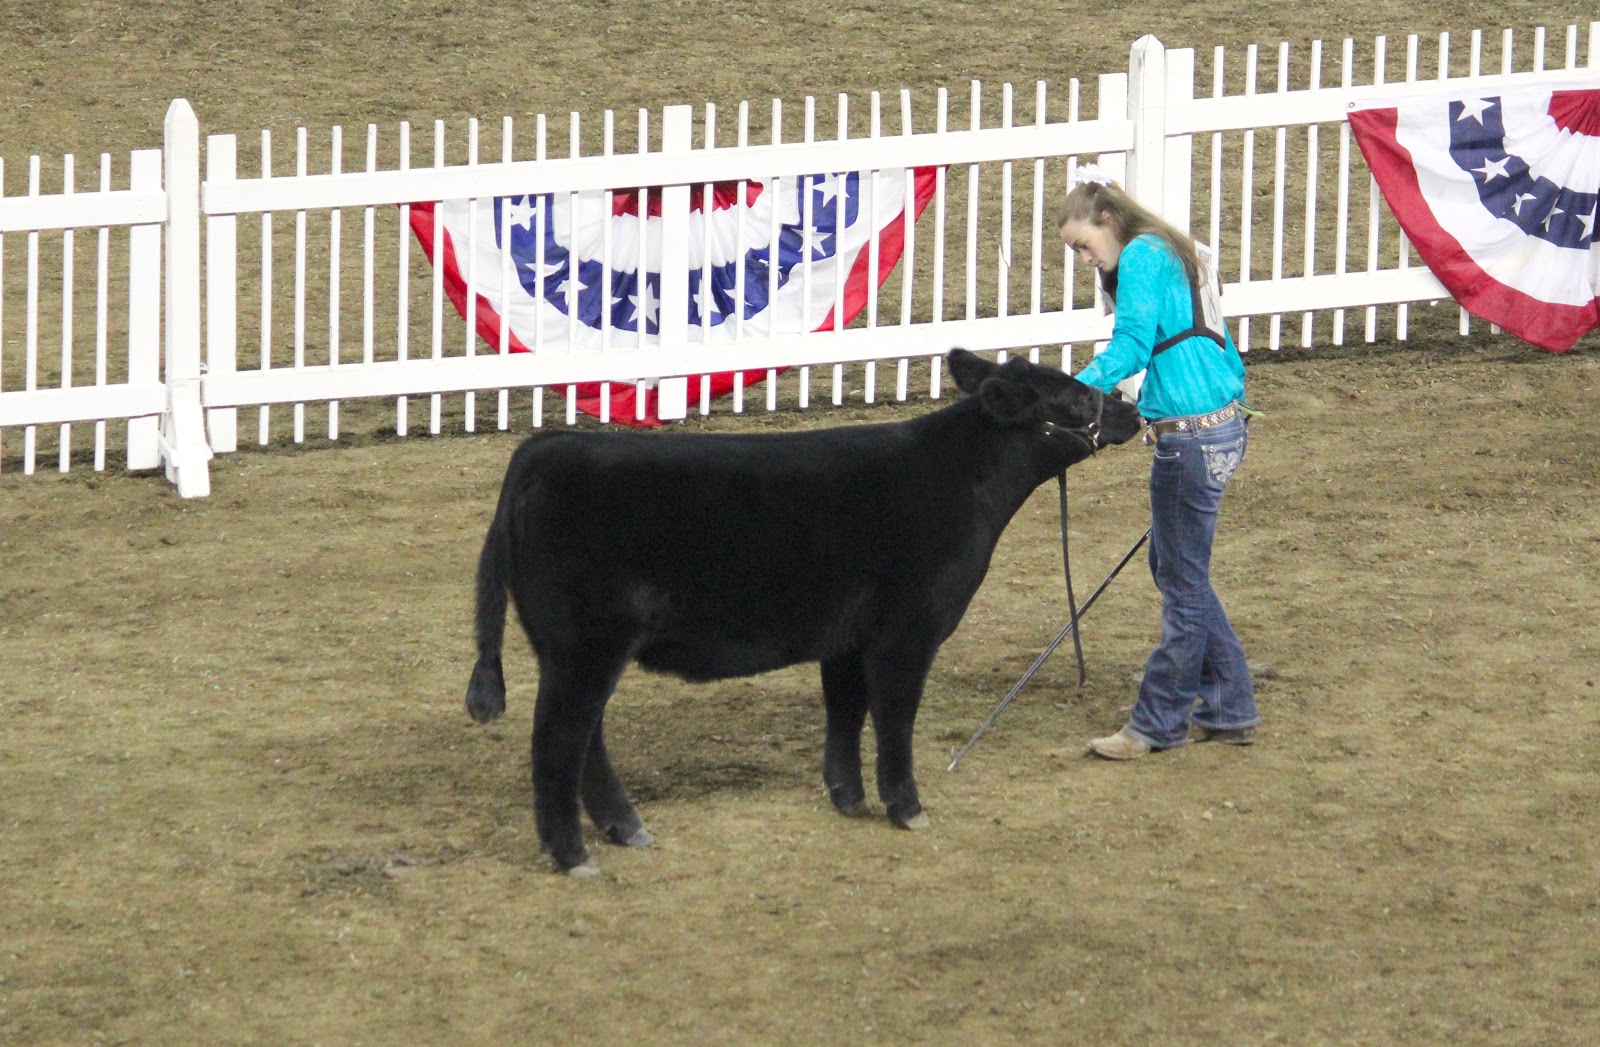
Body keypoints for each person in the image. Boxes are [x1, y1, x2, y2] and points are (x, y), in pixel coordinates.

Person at [1058, 164, 1260, 760]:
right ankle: (1228, 705)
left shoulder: (1143, 257)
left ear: (1108, 220)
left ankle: (1157, 723)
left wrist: (1072, 393)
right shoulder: (1173, 249)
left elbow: (1131, 346)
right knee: (1176, 567)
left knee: (1182, 582)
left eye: (1084, 245)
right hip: (1222, 424)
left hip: (1189, 438)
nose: (1086, 259)